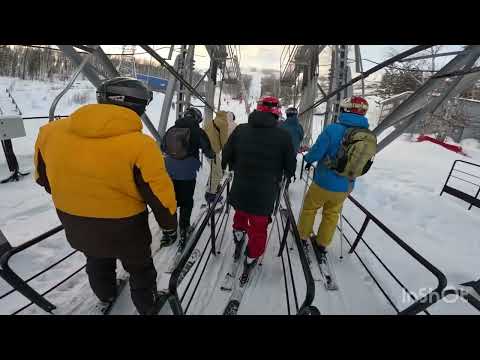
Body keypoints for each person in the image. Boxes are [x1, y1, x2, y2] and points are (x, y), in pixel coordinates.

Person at [34, 77, 177, 315]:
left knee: (96, 258)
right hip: (126, 228)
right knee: (140, 269)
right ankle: (149, 306)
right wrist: (169, 225)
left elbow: (43, 179)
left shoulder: (49, 132)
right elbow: (159, 195)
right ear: (137, 107)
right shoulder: (141, 145)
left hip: (75, 222)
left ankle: (106, 293)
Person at [222, 96, 296, 273]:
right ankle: (252, 255)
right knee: (258, 225)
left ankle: (239, 235)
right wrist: (287, 175)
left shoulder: (240, 130)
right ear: (277, 113)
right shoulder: (283, 136)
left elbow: (226, 153)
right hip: (264, 192)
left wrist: (233, 166)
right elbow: (290, 165)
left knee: (240, 214)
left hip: (240, 186)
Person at [297, 96, 374, 256]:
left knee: (310, 208)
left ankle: (303, 236)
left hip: (323, 182)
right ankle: (322, 243)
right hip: (345, 185)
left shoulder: (332, 129)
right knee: (332, 214)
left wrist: (307, 158)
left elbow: (317, 152)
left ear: (344, 110)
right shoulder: (367, 135)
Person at [161, 107, 215, 248]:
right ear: (197, 119)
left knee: (170, 200)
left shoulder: (171, 129)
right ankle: (184, 228)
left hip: (169, 170)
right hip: (187, 171)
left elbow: (162, 147)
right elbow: (208, 151)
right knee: (185, 201)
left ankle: (169, 231)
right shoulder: (198, 131)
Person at [203, 111, 230, 204]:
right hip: (213, 151)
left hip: (206, 149)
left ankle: (212, 188)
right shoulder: (223, 123)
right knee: (217, 173)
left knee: (214, 171)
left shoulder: (211, 121)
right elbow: (224, 140)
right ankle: (211, 195)